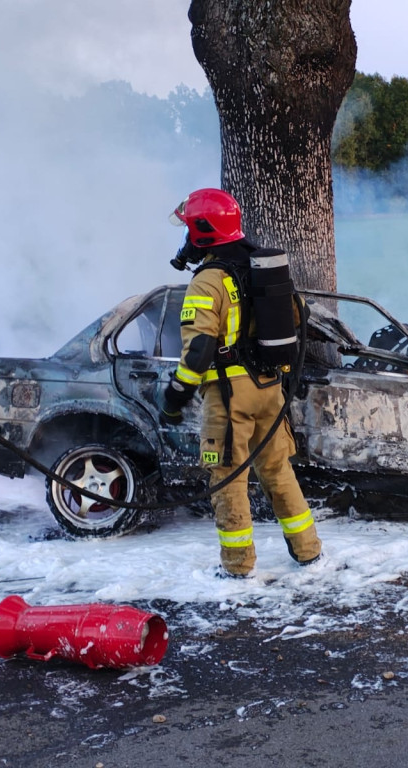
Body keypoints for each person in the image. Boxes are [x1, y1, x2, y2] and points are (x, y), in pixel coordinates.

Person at [162, 188, 322, 578]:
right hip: (269, 389)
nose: (186, 240)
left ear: (202, 232)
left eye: (189, 230)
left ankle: (237, 568)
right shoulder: (263, 266)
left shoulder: (208, 281)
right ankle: (308, 552)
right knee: (277, 470)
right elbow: (298, 319)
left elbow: (198, 350)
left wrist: (174, 397)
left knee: (228, 478)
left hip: (229, 395)